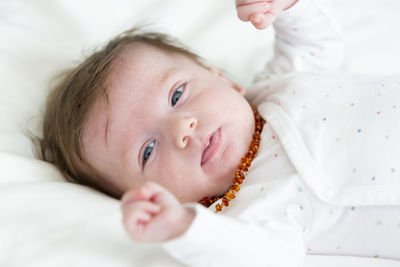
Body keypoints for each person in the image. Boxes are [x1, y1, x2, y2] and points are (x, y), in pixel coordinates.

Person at [38, 0, 400, 266]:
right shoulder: (251, 211)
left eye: (177, 94)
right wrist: (185, 229)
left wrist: (286, 8)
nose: (182, 129)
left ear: (222, 78)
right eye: (147, 150)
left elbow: (316, 47)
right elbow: (264, 255)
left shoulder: (277, 85)